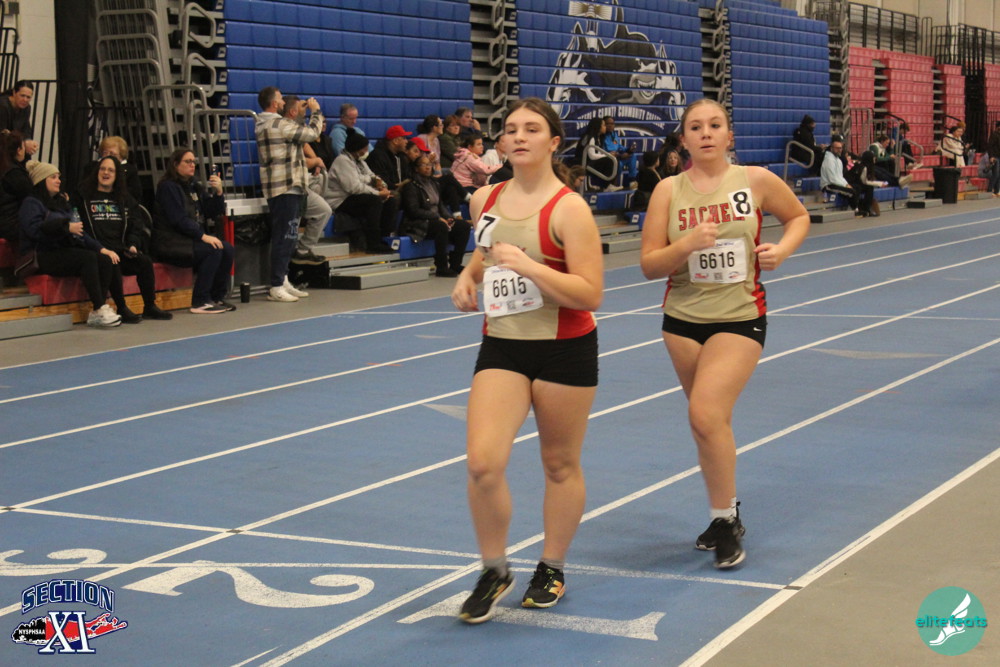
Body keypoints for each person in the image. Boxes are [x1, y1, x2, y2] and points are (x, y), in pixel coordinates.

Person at [451, 97, 604, 624]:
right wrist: (467, 276)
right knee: (482, 462)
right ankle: (494, 568)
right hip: (503, 345)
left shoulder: (569, 208)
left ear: (553, 142)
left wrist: (530, 267)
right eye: (511, 129)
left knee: (559, 464)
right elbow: (485, 253)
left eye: (532, 129)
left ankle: (551, 566)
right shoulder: (484, 199)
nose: (519, 136)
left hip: (565, 349)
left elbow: (590, 292)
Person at [639, 99, 809, 569]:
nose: (706, 133)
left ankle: (725, 520)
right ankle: (724, 513)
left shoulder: (755, 180)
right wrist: (686, 245)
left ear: (729, 135)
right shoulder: (667, 191)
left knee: (705, 412)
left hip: (739, 315)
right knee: (708, 424)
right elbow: (649, 265)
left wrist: (783, 250)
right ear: (684, 140)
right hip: (682, 320)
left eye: (715, 125)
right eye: (696, 127)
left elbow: (798, 217)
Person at [18, 161, 121, 327]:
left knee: (104, 259)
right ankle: (98, 307)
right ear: (42, 180)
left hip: (61, 251)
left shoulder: (60, 203)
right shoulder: (31, 203)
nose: (58, 181)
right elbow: (34, 232)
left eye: (59, 177)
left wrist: (102, 249)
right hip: (40, 254)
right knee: (87, 258)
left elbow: (79, 231)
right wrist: (65, 228)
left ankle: (100, 307)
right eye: (53, 177)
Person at [73, 155, 173, 322]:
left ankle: (150, 306)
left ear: (117, 175)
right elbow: (78, 226)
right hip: (98, 250)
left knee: (144, 262)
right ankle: (122, 307)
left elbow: (136, 223)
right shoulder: (83, 196)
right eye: (102, 169)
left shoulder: (124, 198)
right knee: (112, 261)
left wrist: (132, 243)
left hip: (120, 248)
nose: (106, 173)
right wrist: (100, 248)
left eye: (111, 170)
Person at [255, 86, 322, 302]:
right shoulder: (277, 124)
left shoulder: (273, 123)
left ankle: (283, 279)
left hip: (290, 186)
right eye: (280, 99)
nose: (284, 102)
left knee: (290, 236)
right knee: (284, 237)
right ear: (274, 103)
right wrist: (316, 112)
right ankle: (276, 285)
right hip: (283, 187)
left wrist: (301, 112)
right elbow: (312, 134)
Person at [153, 148, 235, 314]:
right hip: (172, 243)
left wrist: (219, 192)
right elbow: (178, 220)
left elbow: (212, 211)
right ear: (175, 164)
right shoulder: (168, 187)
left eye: (193, 162)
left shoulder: (194, 186)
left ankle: (216, 297)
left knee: (227, 248)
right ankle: (200, 301)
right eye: (187, 161)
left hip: (190, 241)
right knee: (213, 249)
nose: (192, 165)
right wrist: (203, 236)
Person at [280, 95, 331, 265]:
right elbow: (312, 135)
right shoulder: (285, 128)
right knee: (287, 232)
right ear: (293, 112)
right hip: (287, 186)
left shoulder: (295, 126)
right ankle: (282, 272)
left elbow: (305, 145)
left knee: (323, 210)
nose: (306, 108)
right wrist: (316, 111)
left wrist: (316, 159)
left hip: (300, 184)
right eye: (302, 107)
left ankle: (302, 250)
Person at [400, 154, 470, 277]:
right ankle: (441, 266)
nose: (428, 167)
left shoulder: (434, 183)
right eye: (423, 165)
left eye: (429, 164)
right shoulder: (411, 186)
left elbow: (440, 205)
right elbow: (413, 211)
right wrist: (437, 217)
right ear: (416, 168)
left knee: (463, 226)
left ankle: (455, 263)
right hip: (418, 223)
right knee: (441, 226)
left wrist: (448, 218)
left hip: (437, 220)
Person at [327, 131, 393, 253]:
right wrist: (377, 193)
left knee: (391, 200)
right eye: (365, 148)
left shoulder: (360, 162)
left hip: (354, 197)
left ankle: (383, 237)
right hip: (340, 200)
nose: (367, 151)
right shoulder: (342, 161)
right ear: (357, 149)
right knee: (374, 201)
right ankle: (373, 243)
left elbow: (373, 176)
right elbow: (354, 187)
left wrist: (382, 187)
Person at [0, 131, 32, 243]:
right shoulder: (15, 174)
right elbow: (31, 198)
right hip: (11, 226)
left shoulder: (5, 168)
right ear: (19, 150)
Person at [574, 117, 619, 191]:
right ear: (598, 127)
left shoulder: (598, 137)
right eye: (604, 125)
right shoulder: (590, 137)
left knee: (614, 160)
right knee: (609, 161)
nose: (605, 127)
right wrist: (608, 155)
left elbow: (597, 153)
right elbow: (592, 156)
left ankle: (607, 185)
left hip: (590, 162)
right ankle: (607, 186)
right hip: (584, 163)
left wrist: (608, 155)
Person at [819, 139, 859, 213]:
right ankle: (855, 211)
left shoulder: (838, 160)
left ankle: (859, 208)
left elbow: (840, 177)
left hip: (836, 183)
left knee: (857, 188)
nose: (840, 150)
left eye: (840, 148)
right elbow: (832, 179)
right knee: (851, 192)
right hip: (828, 186)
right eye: (837, 148)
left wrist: (846, 184)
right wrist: (845, 185)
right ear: (831, 149)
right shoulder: (829, 160)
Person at [0, 81, 39, 156]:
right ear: (14, 93)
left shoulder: (26, 108)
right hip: (4, 145)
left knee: (26, 153)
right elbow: (2, 133)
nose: (25, 100)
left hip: (12, 144)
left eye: (28, 97)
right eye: (22, 95)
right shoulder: (2, 106)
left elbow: (26, 128)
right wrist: (23, 143)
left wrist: (28, 141)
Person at [847, 150, 885, 217]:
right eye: (873, 157)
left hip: (857, 183)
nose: (874, 159)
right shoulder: (864, 167)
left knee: (869, 187)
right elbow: (864, 181)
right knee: (869, 188)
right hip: (851, 184)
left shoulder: (865, 166)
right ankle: (866, 209)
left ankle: (866, 208)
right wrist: (880, 184)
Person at [601, 115, 638, 181]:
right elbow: (603, 151)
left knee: (632, 156)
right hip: (609, 159)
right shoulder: (601, 136)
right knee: (619, 164)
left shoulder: (614, 134)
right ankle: (613, 182)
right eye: (607, 124)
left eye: (612, 124)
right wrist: (620, 156)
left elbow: (618, 146)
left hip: (618, 156)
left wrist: (628, 149)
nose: (610, 126)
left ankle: (632, 180)